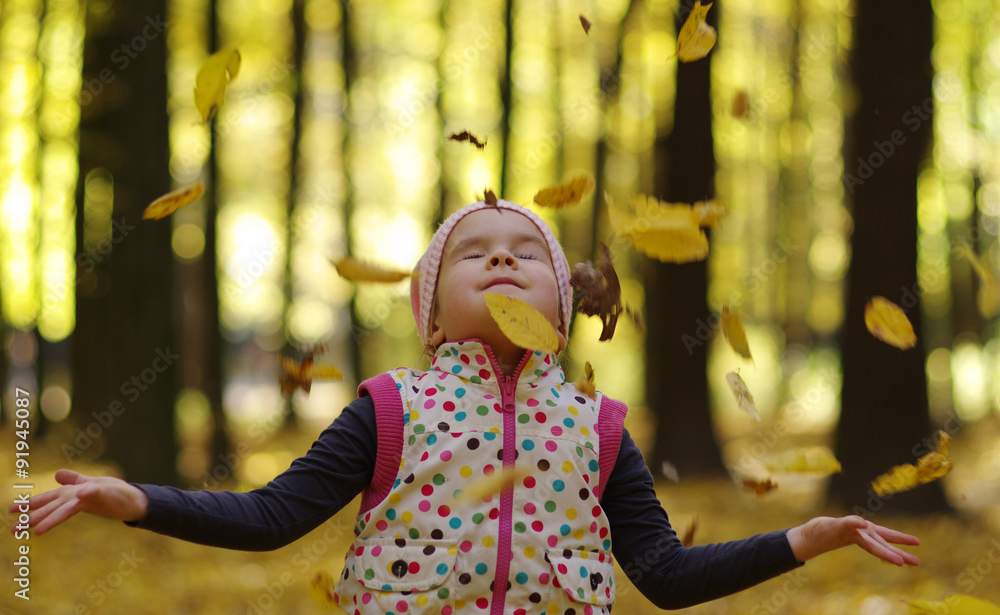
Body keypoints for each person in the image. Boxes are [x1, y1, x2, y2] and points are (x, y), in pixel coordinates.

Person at [13, 198, 919, 613]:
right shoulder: (390, 407)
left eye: (524, 250)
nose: (498, 257)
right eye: (471, 251)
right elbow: (269, 516)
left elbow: (664, 576)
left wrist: (804, 539)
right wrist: (133, 497)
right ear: (431, 311)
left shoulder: (599, 431)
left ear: (562, 309)